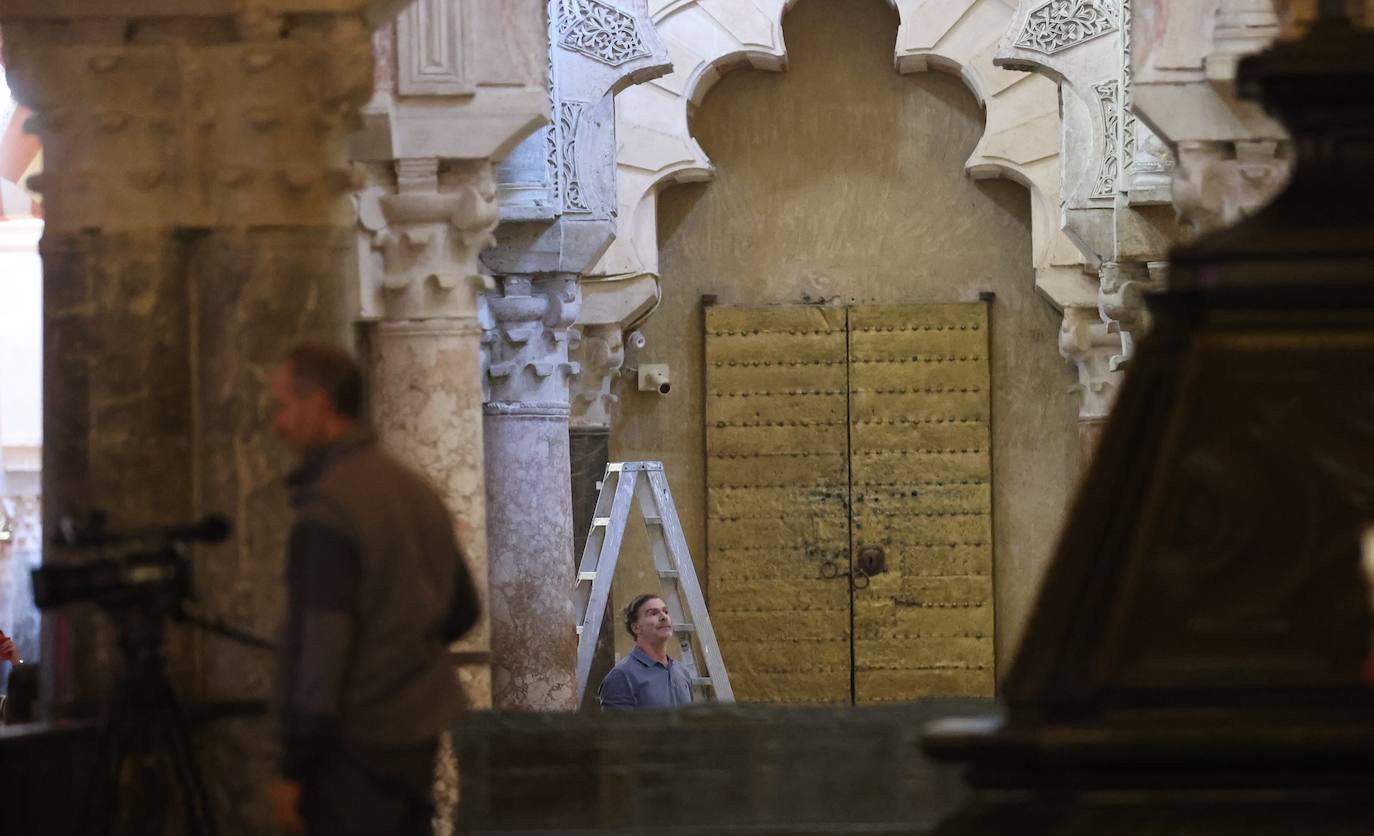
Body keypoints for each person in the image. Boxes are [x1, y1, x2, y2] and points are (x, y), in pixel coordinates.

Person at [268, 342, 480, 836]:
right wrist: (403, 651)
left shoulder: (329, 512)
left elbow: (321, 660)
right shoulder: (413, 490)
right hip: (415, 733)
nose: (278, 424)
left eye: (283, 406)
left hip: (352, 746)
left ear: (319, 404)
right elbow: (464, 610)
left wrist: (293, 769)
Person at [597, 593, 694, 710]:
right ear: (636, 627)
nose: (664, 617)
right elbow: (616, 727)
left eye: (666, 611)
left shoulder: (681, 672)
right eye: (653, 613)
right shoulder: (622, 676)